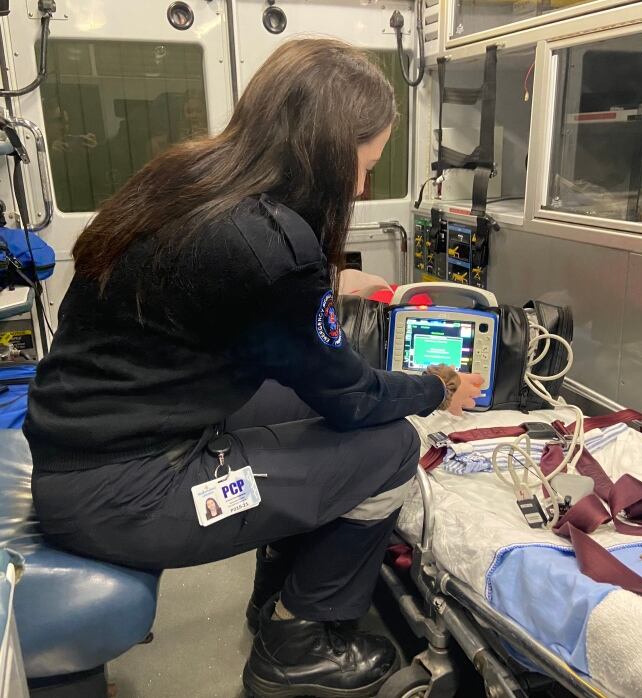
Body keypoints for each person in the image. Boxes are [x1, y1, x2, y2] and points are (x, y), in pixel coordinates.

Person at [24, 38, 483, 698]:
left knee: (300, 403)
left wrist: (325, 281)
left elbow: (225, 292)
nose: (360, 186)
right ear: (326, 151)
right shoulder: (270, 246)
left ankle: (276, 595)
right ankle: (299, 638)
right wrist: (436, 387)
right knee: (391, 444)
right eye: (364, 164)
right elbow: (352, 399)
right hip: (124, 496)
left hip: (89, 447)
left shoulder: (190, 176)